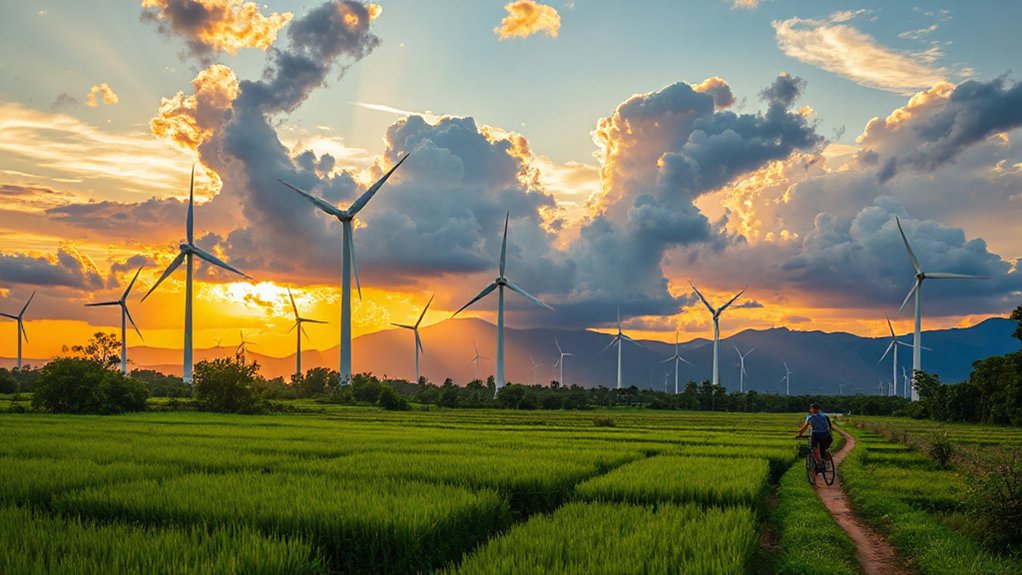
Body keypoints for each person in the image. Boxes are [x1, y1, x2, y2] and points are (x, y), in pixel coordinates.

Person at [797, 402, 833, 468]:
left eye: (810, 408)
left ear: (812, 409)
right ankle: (827, 462)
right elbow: (830, 426)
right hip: (826, 435)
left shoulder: (810, 417)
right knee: (824, 449)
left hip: (816, 435)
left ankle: (819, 463)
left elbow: (804, 427)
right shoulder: (825, 416)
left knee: (814, 449)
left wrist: (800, 434)